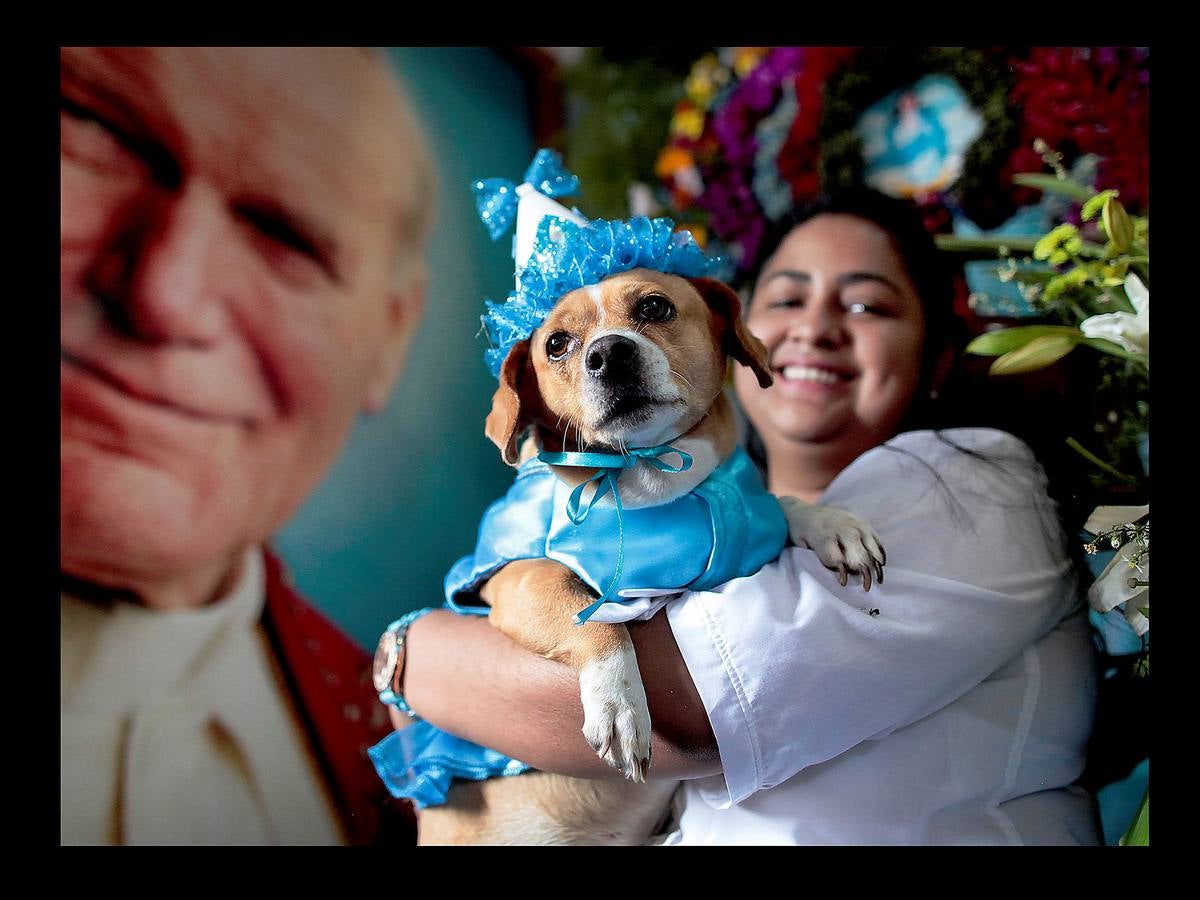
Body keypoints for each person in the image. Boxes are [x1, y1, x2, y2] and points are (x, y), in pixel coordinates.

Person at [381, 187, 1102, 845]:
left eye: (866, 305)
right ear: (748, 324)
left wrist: (411, 655)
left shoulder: (971, 480)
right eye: (788, 298)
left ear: (720, 330)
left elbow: (686, 719)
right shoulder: (674, 521)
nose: (815, 328)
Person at [60, 46, 435, 845]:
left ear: (390, 340)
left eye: (286, 237)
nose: (164, 294)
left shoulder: (406, 766)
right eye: (93, 128)